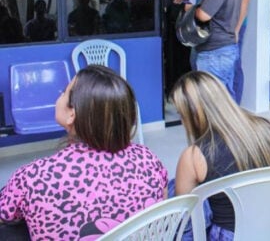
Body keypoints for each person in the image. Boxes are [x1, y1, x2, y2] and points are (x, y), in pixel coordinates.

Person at [0, 65, 168, 240]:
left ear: (72, 114)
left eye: (64, 92)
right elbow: (161, 212)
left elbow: (4, 214)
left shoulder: (33, 177)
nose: (60, 95)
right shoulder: (148, 159)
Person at [171, 71, 270, 240]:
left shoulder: (194, 156)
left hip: (235, 236)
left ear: (192, 114)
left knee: (174, 190)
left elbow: (183, 213)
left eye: (180, 114)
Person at [194, 0, 243, 100]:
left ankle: (216, 125)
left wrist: (193, 10)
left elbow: (203, 15)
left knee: (212, 100)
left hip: (214, 52)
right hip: (228, 47)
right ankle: (230, 124)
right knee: (226, 96)